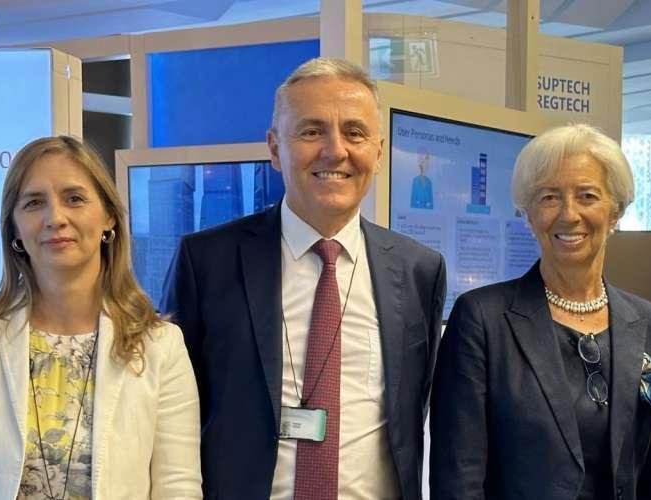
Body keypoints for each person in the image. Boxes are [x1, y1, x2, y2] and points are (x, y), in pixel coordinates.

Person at [162, 57, 447, 500]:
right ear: (275, 148)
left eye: (355, 132)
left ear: (378, 151)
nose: (335, 151)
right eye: (312, 131)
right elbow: (171, 415)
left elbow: (417, 408)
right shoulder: (206, 262)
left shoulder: (419, 271)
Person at [430, 124, 651, 500]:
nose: (569, 214)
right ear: (528, 214)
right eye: (549, 197)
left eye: (587, 196)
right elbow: (458, 478)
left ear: (615, 211)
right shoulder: (482, 319)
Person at [0, 136, 201, 499]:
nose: (55, 218)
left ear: (108, 217)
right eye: (34, 203)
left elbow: (178, 486)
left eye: (74, 199)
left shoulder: (161, 346)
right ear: (14, 227)